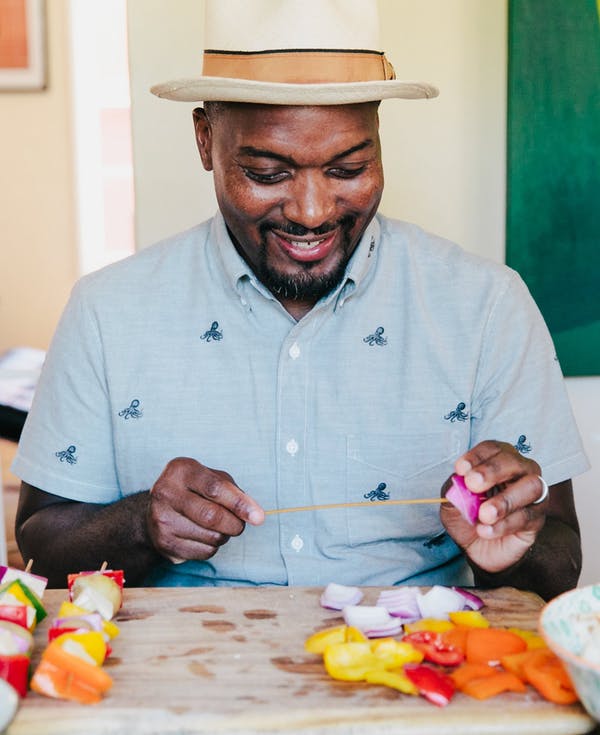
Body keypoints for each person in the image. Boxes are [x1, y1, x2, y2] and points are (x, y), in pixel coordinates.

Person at [13, 0, 588, 599]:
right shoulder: (108, 311)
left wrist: (510, 551)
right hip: (184, 678)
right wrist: (139, 526)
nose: (312, 212)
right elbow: (40, 543)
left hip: (417, 672)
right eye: (268, 173)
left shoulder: (487, 306)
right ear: (206, 140)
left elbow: (560, 560)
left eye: (349, 168)